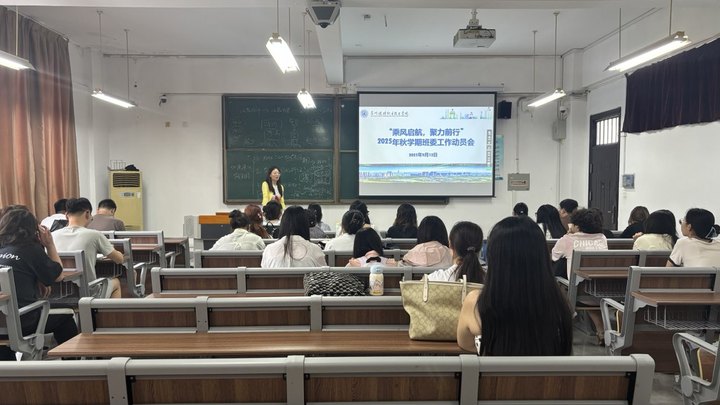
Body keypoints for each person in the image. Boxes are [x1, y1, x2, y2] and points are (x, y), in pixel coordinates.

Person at [457, 216, 573, 355]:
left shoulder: (476, 302)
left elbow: (465, 344)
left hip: (495, 369)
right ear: (542, 256)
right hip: (546, 370)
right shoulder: (559, 304)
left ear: (493, 258)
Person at [0, 206, 78, 360]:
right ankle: (73, 364)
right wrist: (49, 244)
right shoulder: (31, 250)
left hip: (2, 323)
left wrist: (36, 280)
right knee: (66, 316)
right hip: (23, 321)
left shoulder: (2, 249)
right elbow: (59, 276)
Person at [52, 198, 125, 298]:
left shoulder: (52, 236)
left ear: (66, 215)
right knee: (115, 282)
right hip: (88, 292)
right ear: (87, 213)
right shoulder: (94, 235)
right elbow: (119, 259)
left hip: (59, 293)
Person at [261, 206, 326, 268]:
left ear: (283, 225)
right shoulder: (316, 250)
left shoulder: (269, 250)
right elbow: (324, 274)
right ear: (305, 225)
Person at [551, 208, 608, 279]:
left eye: (572, 224)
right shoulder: (602, 238)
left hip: (575, 284)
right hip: (599, 282)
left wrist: (567, 235)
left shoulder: (567, 239)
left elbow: (554, 256)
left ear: (577, 227)